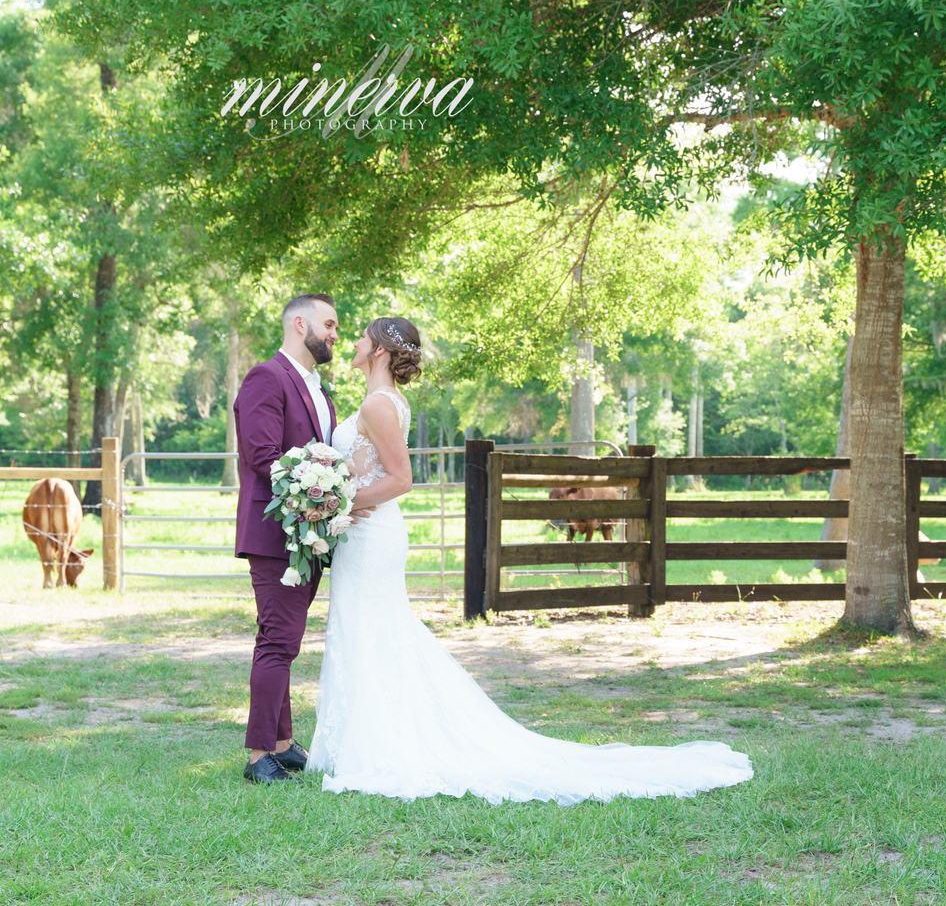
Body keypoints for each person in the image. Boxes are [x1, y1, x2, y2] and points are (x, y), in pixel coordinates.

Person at [307, 316, 753, 803]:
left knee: (374, 628)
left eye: (360, 336)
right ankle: (365, 740)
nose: (351, 341)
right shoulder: (382, 401)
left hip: (371, 532)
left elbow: (401, 479)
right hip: (363, 532)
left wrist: (339, 503)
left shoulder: (378, 403)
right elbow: (366, 467)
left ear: (378, 350)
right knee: (367, 628)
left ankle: (385, 747)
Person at [234, 293, 365, 785]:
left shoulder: (319, 388)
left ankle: (284, 745)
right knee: (278, 641)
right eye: (329, 324)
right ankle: (257, 755)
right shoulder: (266, 377)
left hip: (309, 536)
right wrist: (321, 491)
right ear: (298, 323)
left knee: (284, 641)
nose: (335, 334)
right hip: (275, 535)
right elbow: (264, 458)